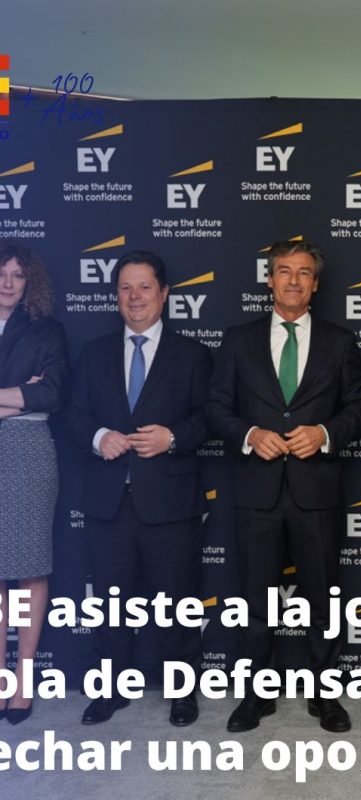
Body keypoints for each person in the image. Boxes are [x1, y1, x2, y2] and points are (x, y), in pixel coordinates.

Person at [206, 239, 361, 734]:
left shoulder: (340, 341)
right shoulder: (238, 339)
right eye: (283, 271)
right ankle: (257, 694)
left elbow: (358, 409)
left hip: (315, 489)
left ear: (315, 284)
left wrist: (323, 434)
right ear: (269, 280)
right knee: (256, 599)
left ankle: (325, 694)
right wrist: (251, 435)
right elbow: (216, 407)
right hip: (256, 490)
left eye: (303, 273)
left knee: (323, 599)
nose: (293, 280)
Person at [66, 250, 211, 727]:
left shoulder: (192, 354)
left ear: (163, 294)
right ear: (116, 296)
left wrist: (173, 438)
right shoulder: (94, 352)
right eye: (125, 288)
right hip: (108, 503)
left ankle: (182, 692)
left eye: (144, 287)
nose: (134, 297)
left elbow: (209, 418)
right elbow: (74, 414)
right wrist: (98, 437)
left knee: (177, 604)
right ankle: (110, 689)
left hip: (170, 502)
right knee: (110, 605)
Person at [0, 241, 69, 725]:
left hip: (27, 449)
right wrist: (22, 392)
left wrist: (25, 397)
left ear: (31, 283)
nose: (8, 283)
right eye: (1, 273)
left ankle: (23, 679)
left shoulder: (47, 329)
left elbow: (53, 394)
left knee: (28, 568)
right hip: (20, 425)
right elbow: (33, 392)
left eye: (18, 275)